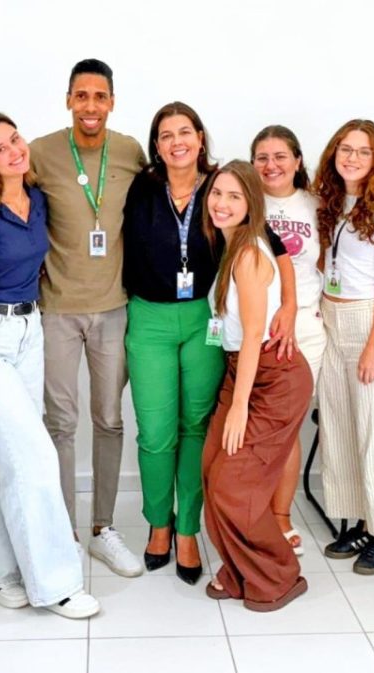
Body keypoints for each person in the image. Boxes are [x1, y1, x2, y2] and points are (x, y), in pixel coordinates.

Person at [0, 60, 147, 576]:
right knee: (60, 424)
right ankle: (63, 529)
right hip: (56, 312)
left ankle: (102, 529)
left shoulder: (130, 151)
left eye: (100, 96)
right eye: (81, 95)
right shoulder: (40, 151)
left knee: (109, 420)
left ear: (112, 102)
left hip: (114, 307)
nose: (90, 105)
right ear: (68, 100)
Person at [123, 103, 294, 583]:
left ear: (200, 138)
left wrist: (289, 303)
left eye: (185, 132)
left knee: (197, 427)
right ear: (156, 145)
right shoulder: (142, 187)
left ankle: (187, 530)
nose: (176, 141)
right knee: (155, 433)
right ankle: (159, 523)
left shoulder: (221, 186)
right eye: (165, 135)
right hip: (150, 318)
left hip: (205, 318)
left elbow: (272, 242)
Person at [0, 111, 99, 619]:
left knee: (4, 462)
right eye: (0, 148)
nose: (15, 150)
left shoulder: (36, 200)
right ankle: (57, 585)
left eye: (15, 139)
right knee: (35, 457)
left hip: (31, 329)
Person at [202, 161, 312, 612]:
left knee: (233, 484)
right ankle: (239, 571)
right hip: (242, 370)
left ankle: (280, 574)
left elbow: (251, 334)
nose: (222, 204)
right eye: (217, 193)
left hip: (273, 377)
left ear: (251, 204)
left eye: (234, 196)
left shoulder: (247, 254)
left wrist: (240, 407)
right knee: (211, 472)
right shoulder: (236, 243)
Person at [311, 120, 374, 573]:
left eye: (363, 151)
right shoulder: (331, 203)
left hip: (371, 322)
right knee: (340, 427)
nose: (352, 158)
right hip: (332, 321)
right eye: (345, 149)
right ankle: (360, 522)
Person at [251, 125, 324, 555]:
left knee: (286, 426)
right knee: (255, 426)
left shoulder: (318, 204)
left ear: (297, 160)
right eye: (262, 157)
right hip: (254, 329)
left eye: (280, 156)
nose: (271, 165)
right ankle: (252, 512)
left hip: (304, 329)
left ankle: (281, 515)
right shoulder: (244, 200)